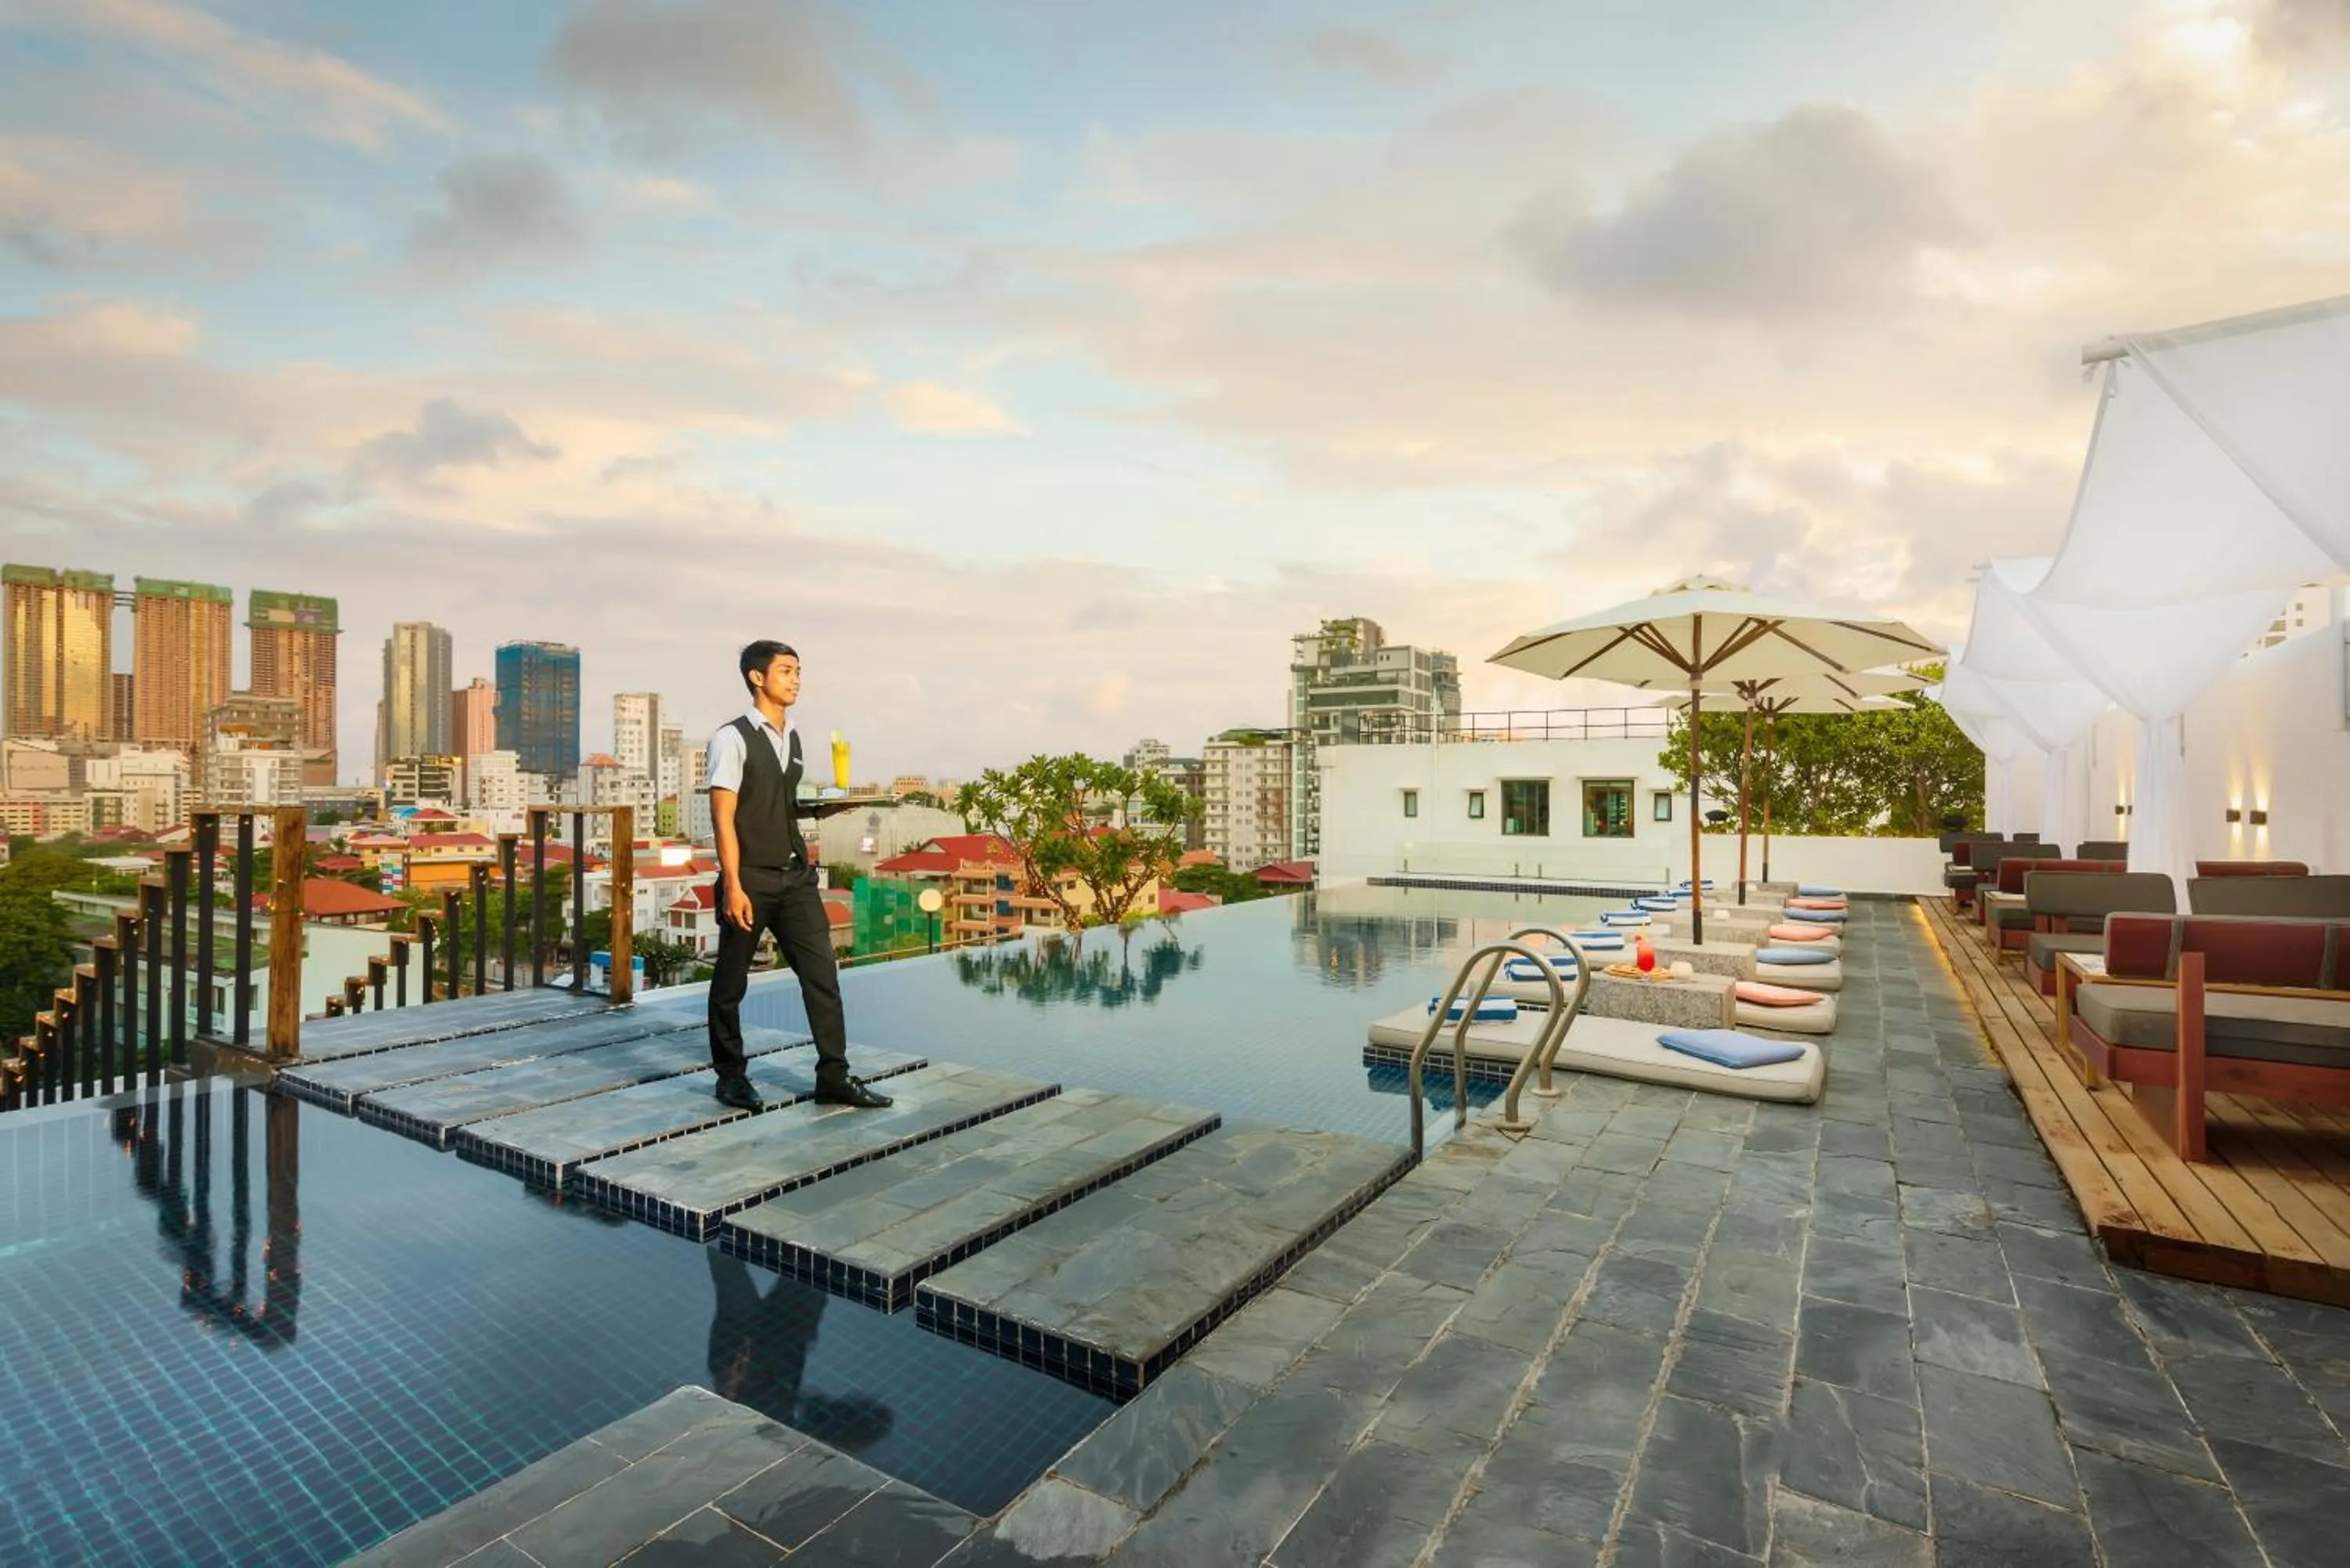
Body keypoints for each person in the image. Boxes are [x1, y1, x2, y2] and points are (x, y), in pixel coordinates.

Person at [704, 639, 892, 1111]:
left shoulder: (794, 738)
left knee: (822, 977)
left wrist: (830, 806)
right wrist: (733, 885)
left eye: (799, 671)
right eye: (786, 671)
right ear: (757, 677)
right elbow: (723, 817)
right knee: (731, 985)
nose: (796, 679)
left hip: (795, 879)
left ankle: (834, 1076)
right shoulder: (732, 738)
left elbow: (784, 807)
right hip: (750, 878)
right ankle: (730, 1077)